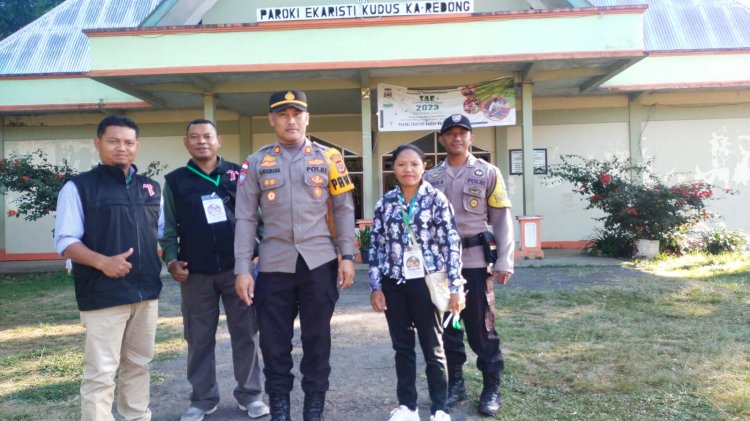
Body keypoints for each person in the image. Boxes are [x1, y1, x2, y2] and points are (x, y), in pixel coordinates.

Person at [234, 90, 356, 421]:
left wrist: (347, 254)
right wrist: (242, 269)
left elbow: (343, 209)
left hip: (319, 262)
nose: (290, 120)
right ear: (272, 120)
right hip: (273, 265)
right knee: (274, 343)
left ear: (307, 118)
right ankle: (280, 406)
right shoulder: (256, 162)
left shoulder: (329, 158)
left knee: (317, 338)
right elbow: (244, 218)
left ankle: (313, 406)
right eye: (283, 114)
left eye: (296, 114)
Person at [159, 119, 270, 421]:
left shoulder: (239, 174)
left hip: (238, 270)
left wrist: (259, 253)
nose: (201, 142)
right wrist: (171, 260)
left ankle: (251, 394)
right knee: (198, 337)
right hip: (195, 273)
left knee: (246, 332)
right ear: (186, 142)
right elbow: (168, 227)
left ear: (218, 140)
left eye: (207, 136)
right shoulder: (176, 181)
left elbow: (259, 218)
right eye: (194, 137)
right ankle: (202, 398)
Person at [53, 115, 162, 420]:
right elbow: (65, 240)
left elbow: (162, 235)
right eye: (113, 141)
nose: (121, 148)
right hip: (102, 294)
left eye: (128, 142)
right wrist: (103, 262)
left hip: (145, 294)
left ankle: (137, 416)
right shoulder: (79, 188)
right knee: (100, 374)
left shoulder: (150, 188)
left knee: (138, 366)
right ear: (97, 143)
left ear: (137, 146)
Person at [425, 114, 515, 417]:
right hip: (440, 268)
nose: (456, 138)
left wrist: (505, 259)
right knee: (448, 328)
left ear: (471, 138)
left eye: (462, 132)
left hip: (475, 263)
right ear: (441, 139)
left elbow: (502, 220)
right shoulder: (430, 178)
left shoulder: (488, 172)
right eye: (450, 133)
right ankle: (457, 384)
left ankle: (491, 386)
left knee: (481, 328)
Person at [368, 144, 461, 421]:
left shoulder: (437, 200)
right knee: (402, 347)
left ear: (424, 167)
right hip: (394, 282)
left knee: (433, 347)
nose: (408, 169)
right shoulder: (385, 203)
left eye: (414, 164)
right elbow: (376, 247)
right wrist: (376, 287)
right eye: (401, 164)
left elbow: (451, 244)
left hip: (426, 282)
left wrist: (456, 287)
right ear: (393, 168)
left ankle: (439, 409)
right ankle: (407, 407)